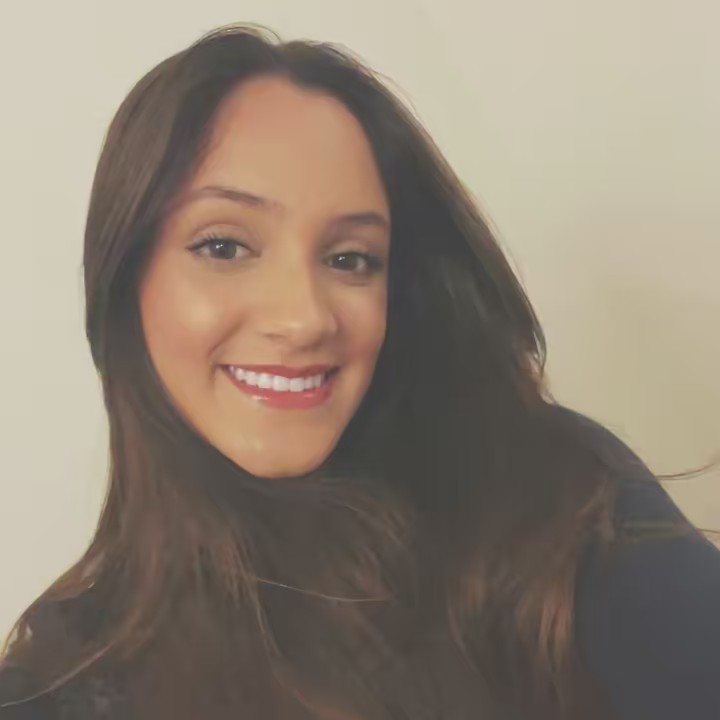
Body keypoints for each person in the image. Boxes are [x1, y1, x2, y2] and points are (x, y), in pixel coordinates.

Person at [1, 22, 718, 720]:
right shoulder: (55, 688)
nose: (305, 317)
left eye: (350, 259)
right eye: (224, 246)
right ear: (125, 279)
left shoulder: (547, 503)